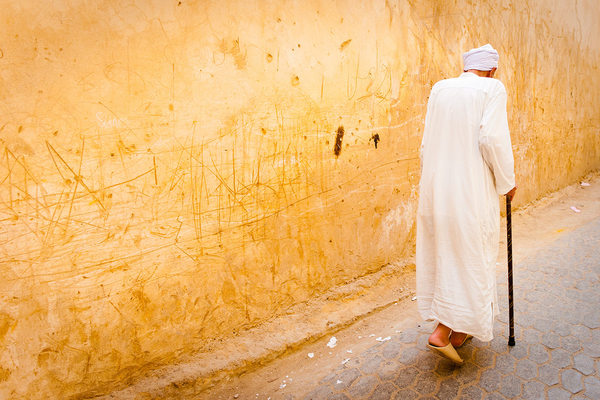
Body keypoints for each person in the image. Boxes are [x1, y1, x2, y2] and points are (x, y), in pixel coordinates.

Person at [416, 44, 517, 364]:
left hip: (436, 190)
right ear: (492, 69)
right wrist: (507, 181)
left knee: (449, 255)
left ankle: (461, 330)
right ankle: (442, 332)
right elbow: (492, 139)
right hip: (471, 193)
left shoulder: (440, 89)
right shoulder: (492, 88)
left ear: (466, 67)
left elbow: (424, 144)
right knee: (473, 257)